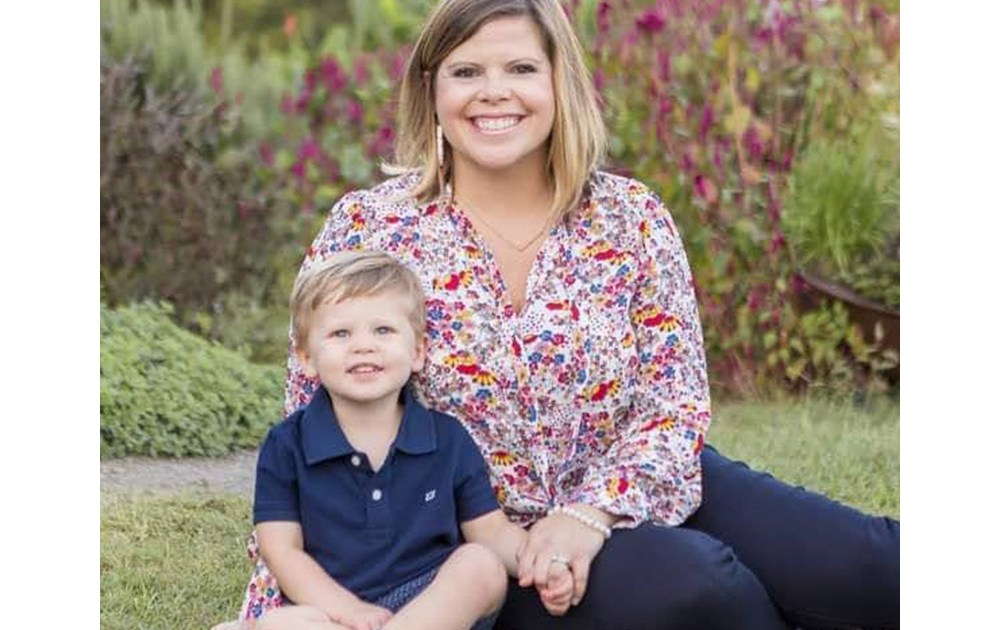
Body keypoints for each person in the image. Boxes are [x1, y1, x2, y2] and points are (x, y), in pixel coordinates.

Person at [228, 0, 900, 628]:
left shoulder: (631, 217)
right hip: (483, 540)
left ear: (559, 83)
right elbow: (313, 426)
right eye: (467, 71)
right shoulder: (369, 227)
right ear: (431, 90)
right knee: (705, 586)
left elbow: (675, 403)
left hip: (642, 476)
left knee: (874, 566)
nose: (495, 92)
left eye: (521, 68)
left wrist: (591, 511)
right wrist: (293, 600)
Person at [238, 250, 574, 630]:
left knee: (480, 564)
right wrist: (349, 611)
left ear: (417, 352)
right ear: (306, 357)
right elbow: (282, 552)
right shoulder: (287, 445)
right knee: (283, 623)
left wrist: (546, 564)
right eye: (340, 333)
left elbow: (492, 533)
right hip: (334, 608)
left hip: (431, 607)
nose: (363, 346)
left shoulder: (446, 439)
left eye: (383, 330)